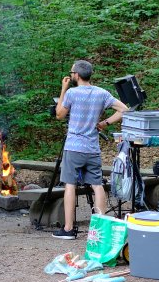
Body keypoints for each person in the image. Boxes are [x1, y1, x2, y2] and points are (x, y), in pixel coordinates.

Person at [52, 60, 129, 239]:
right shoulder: (101, 93)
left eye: (72, 73)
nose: (71, 76)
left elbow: (59, 115)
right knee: (97, 185)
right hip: (92, 148)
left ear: (77, 75)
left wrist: (63, 89)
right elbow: (124, 109)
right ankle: (100, 229)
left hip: (73, 148)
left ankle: (69, 229)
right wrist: (105, 123)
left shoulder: (71, 93)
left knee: (70, 185)